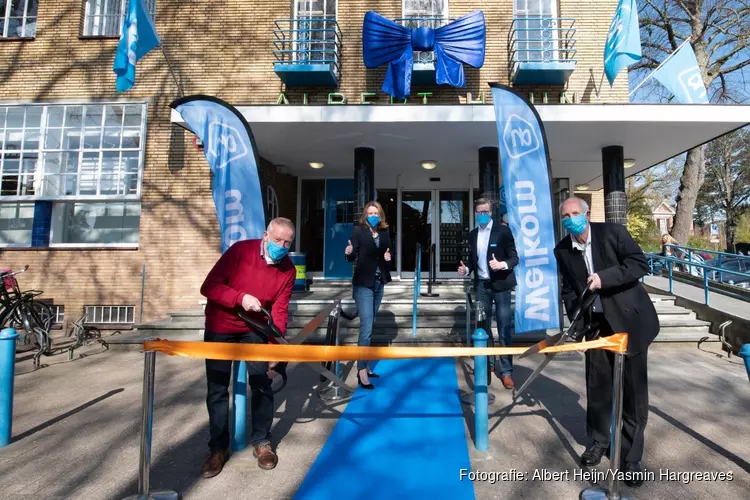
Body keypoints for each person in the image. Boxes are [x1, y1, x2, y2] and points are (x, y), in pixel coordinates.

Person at [554, 197, 659, 487]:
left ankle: (631, 455)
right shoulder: (562, 250)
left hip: (630, 323)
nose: (571, 218)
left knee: (633, 393)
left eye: (576, 213)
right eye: (566, 215)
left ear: (587, 214)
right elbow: (568, 289)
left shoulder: (613, 233)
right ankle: (599, 442)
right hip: (597, 327)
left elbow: (639, 264)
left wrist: (604, 278)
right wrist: (575, 320)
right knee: (598, 387)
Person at [199, 217, 297, 478]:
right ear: (266, 235)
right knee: (218, 388)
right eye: (277, 240)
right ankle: (218, 448)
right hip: (221, 325)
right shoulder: (240, 251)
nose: (282, 246)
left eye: (287, 242)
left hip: (255, 329)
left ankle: (262, 442)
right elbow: (208, 287)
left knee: (262, 382)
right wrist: (240, 298)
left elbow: (280, 310)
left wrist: (275, 348)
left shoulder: (288, 269)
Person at [457, 198, 519, 389]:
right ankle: (488, 366)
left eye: (485, 211)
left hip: (501, 285)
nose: (482, 215)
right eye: (478, 212)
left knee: (503, 328)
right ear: (475, 214)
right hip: (482, 286)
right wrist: (466, 270)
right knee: (483, 328)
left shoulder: (503, 231)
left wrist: (502, 265)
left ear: (491, 212)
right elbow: (471, 261)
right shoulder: (473, 234)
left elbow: (514, 257)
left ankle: (506, 371)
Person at [345, 201, 392, 389]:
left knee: (370, 325)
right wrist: (348, 252)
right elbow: (351, 254)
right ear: (366, 215)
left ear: (380, 215)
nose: (373, 215)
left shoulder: (384, 233)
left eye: (376, 212)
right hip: (363, 284)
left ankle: (365, 364)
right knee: (366, 325)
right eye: (370, 212)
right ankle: (361, 369)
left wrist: (389, 259)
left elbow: (387, 256)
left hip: (379, 283)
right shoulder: (359, 231)